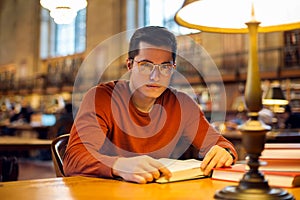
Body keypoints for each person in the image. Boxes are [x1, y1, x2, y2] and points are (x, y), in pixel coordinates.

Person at [63, 26, 237, 184]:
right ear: (130, 65)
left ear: (173, 68)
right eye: (146, 65)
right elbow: (74, 159)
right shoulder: (101, 98)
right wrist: (120, 165)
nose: (155, 76)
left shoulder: (183, 105)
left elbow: (222, 145)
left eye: (164, 67)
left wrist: (224, 152)